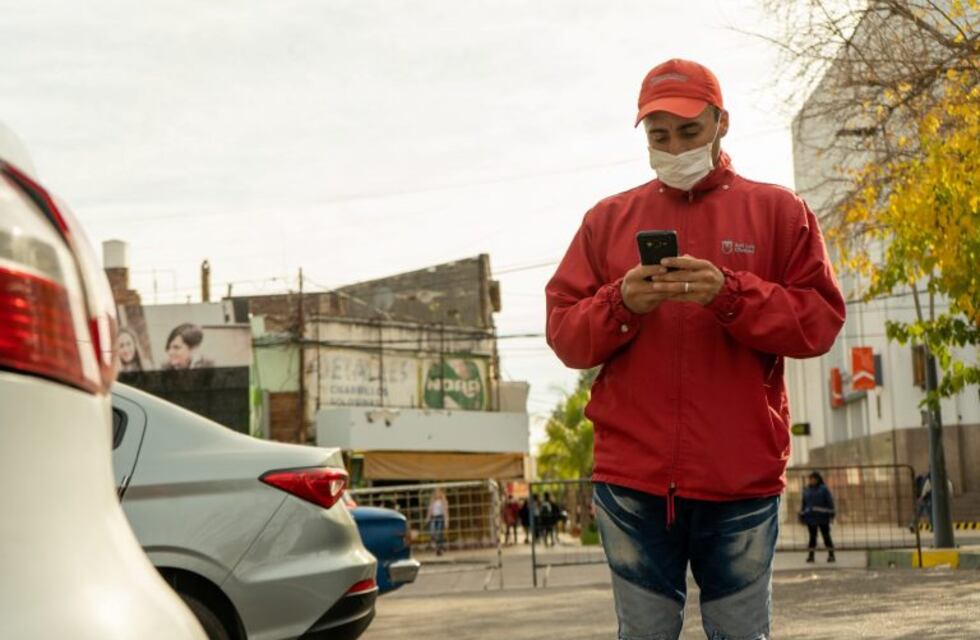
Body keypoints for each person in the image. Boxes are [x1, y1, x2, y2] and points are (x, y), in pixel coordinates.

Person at [545, 59, 845, 640]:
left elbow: (820, 321)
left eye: (689, 131)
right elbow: (564, 333)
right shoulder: (606, 220)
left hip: (740, 478)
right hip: (631, 483)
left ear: (722, 123)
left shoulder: (779, 212)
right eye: (659, 136)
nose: (674, 145)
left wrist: (731, 294)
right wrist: (619, 303)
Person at [799, 472, 836, 563]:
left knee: (826, 536)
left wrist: (831, 514)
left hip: (822, 517)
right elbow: (804, 504)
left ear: (817, 479)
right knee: (812, 538)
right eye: (810, 479)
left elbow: (830, 502)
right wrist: (802, 515)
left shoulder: (824, 490)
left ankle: (831, 555)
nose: (811, 481)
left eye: (813, 479)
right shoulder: (807, 490)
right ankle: (811, 556)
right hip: (811, 518)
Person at [426, 488, 449, 556]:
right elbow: (430, 510)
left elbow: (445, 511)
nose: (437, 494)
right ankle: (436, 546)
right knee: (432, 532)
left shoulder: (443, 501)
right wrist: (427, 518)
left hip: (440, 517)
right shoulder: (432, 501)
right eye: (435, 492)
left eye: (438, 492)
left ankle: (439, 548)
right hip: (434, 517)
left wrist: (446, 520)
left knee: (439, 532)